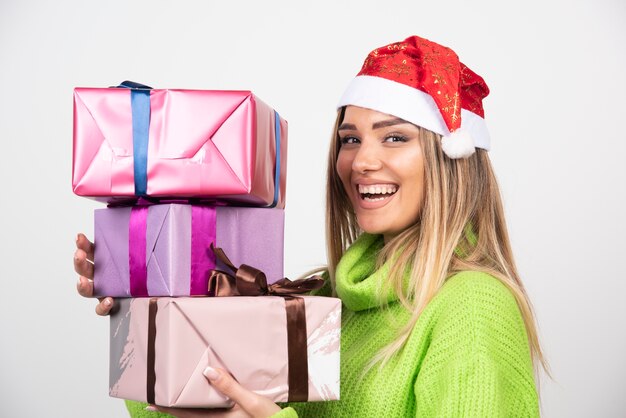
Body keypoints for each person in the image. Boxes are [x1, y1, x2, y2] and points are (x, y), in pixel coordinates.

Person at [75, 35, 546, 417]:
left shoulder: (473, 305)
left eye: (395, 137)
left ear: (452, 161)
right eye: (349, 139)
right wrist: (148, 295)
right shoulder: (322, 297)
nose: (361, 160)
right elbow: (189, 402)